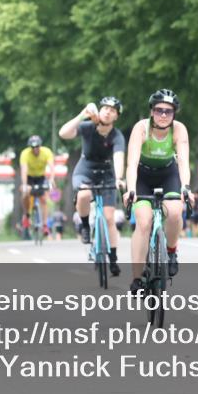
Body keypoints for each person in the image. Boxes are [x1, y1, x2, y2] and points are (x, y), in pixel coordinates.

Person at [124, 90, 194, 294]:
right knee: (143, 222)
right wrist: (130, 189)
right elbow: (132, 163)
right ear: (151, 111)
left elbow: (183, 162)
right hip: (142, 176)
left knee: (175, 211)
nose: (163, 115)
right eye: (159, 110)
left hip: (168, 174)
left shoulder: (179, 129)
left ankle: (171, 251)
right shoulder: (141, 128)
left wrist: (186, 187)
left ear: (174, 114)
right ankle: (137, 278)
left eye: (168, 111)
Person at [59, 97, 126, 275]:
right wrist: (82, 114)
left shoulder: (117, 136)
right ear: (99, 110)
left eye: (112, 110)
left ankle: (113, 258)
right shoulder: (88, 127)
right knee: (83, 194)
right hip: (85, 170)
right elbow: (63, 133)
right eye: (105, 108)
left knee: (109, 218)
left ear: (116, 116)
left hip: (107, 174)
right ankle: (85, 226)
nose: (108, 112)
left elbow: (118, 157)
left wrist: (119, 178)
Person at [19, 135, 55, 239]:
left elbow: (51, 167)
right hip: (29, 177)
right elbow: (24, 170)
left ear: (40, 146)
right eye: (33, 147)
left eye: (37, 147)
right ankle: (27, 215)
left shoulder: (46, 152)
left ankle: (45, 225)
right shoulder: (25, 154)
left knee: (43, 199)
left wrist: (52, 179)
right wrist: (25, 184)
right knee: (25, 194)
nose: (35, 149)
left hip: (40, 177)